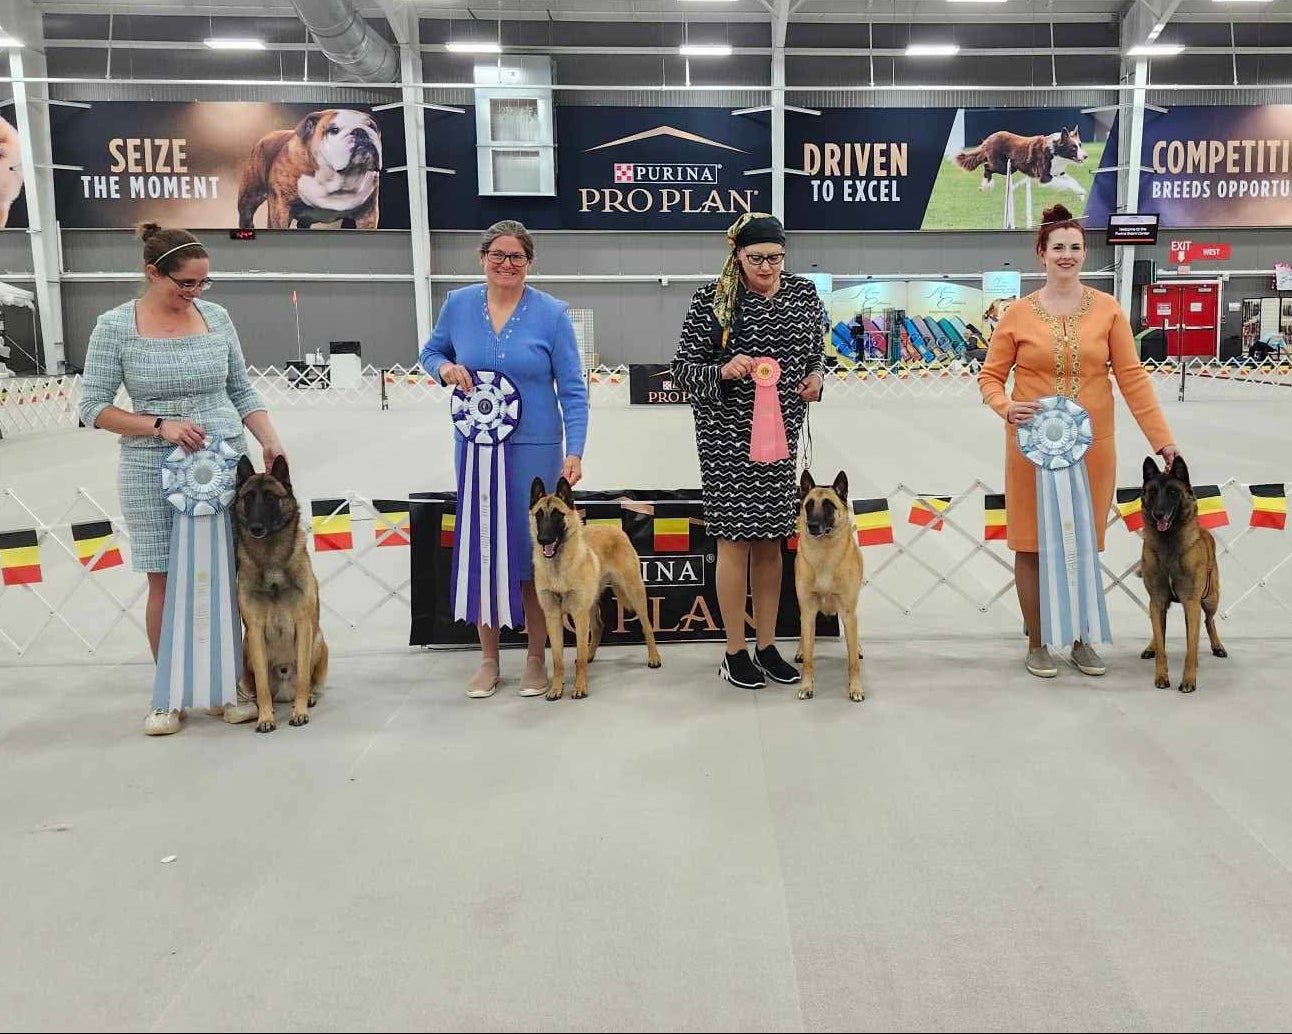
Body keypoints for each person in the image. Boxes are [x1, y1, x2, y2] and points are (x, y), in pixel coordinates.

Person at [79, 222, 286, 735]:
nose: (194, 293)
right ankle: (169, 694)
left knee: (226, 577)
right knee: (165, 581)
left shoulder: (216, 318)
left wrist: (269, 438)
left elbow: (241, 390)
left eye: (201, 283)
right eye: (185, 284)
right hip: (151, 468)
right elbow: (93, 408)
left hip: (223, 469)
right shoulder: (114, 325)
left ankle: (226, 689)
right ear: (154, 273)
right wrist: (159, 426)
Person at [978, 204, 1181, 679]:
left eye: (1075, 247)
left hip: (1093, 450)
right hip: (1030, 449)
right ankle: (1036, 644)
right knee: (1030, 545)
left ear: (1084, 254)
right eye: (1058, 248)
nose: (1066, 256)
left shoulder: (1108, 310)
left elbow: (1132, 378)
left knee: (1080, 544)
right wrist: (1005, 407)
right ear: (1041, 255)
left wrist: (1162, 439)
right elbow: (990, 377)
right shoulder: (1017, 314)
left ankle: (1080, 638)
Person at [420, 219, 588, 699]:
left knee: (538, 552)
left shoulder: (552, 314)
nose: (506, 264)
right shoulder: (457, 305)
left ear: (529, 262)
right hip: (475, 450)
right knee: (484, 547)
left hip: (536, 451)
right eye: (498, 255)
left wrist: (574, 450)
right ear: (482, 258)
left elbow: (573, 389)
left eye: (516, 257)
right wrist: (445, 369)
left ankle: (537, 657)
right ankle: (489, 659)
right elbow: (430, 351)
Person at [671, 213, 825, 690]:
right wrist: (724, 370)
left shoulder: (803, 295)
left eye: (775, 258)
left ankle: (767, 645)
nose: (767, 267)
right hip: (726, 441)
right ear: (736, 255)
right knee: (734, 542)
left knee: (772, 543)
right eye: (756, 258)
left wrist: (818, 377)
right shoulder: (712, 302)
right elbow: (681, 372)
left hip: (781, 438)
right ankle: (734, 651)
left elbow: (819, 350)